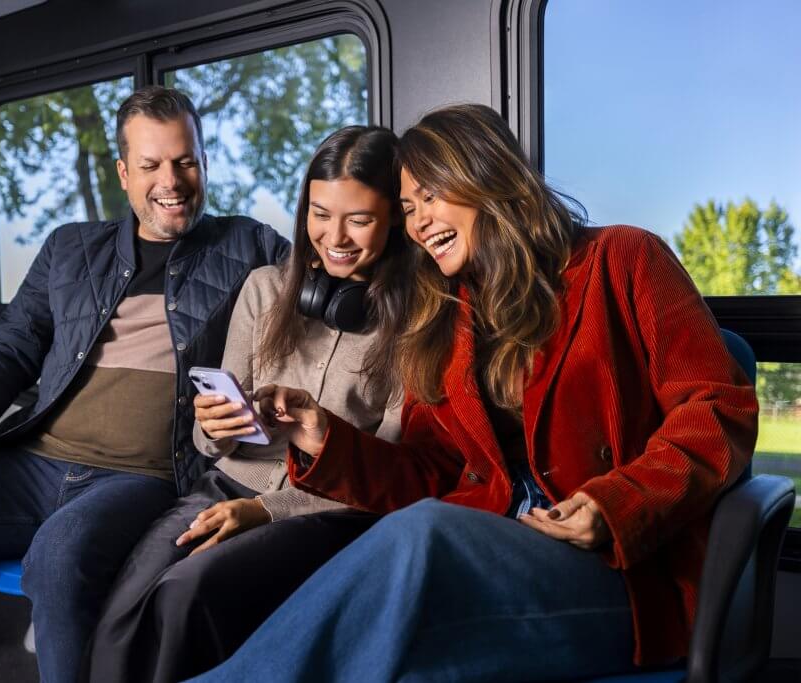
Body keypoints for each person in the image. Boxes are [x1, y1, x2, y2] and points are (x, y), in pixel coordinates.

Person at [186, 103, 759, 683]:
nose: (418, 224)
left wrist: (618, 505)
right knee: (395, 663)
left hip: (619, 571)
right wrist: (323, 438)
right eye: (408, 209)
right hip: (493, 556)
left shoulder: (625, 258)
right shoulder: (442, 317)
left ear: (485, 175)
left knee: (420, 533)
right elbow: (429, 473)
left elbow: (719, 409)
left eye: (430, 197)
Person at [0, 86, 288, 683]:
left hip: (144, 477)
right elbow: (9, 350)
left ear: (204, 163)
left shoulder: (250, 245)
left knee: (60, 556)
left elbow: (321, 303)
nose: (171, 180)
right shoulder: (70, 248)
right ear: (124, 173)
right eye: (150, 165)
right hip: (32, 464)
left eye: (185, 161)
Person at [87, 126, 408, 683]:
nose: (335, 237)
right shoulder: (264, 288)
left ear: (395, 219)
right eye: (320, 214)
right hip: (229, 484)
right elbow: (210, 442)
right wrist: (216, 425)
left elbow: (391, 471)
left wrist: (267, 510)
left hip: (326, 509)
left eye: (358, 220)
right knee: (124, 605)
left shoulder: (418, 323)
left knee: (185, 594)